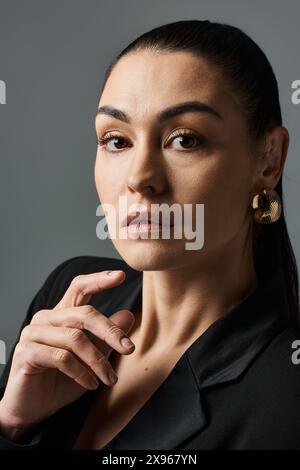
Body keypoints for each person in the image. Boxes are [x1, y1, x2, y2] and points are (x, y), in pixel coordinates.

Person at [0, 19, 300, 450]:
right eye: (117, 141)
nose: (140, 178)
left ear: (269, 160)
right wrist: (11, 424)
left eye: (185, 140)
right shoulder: (72, 297)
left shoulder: (284, 395)